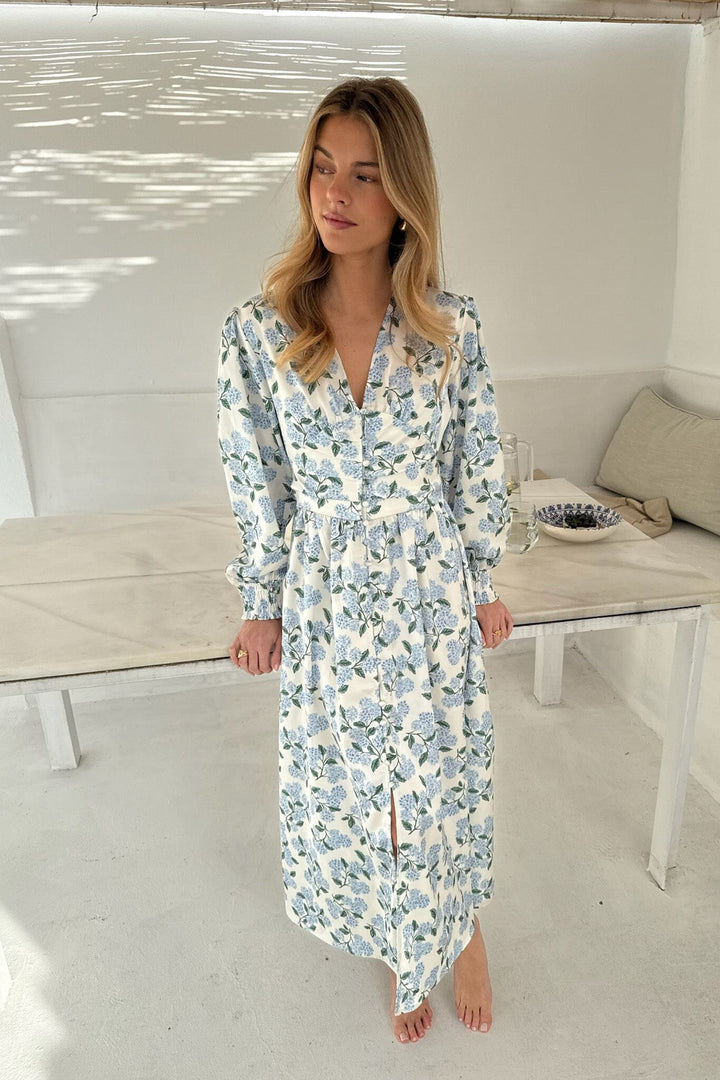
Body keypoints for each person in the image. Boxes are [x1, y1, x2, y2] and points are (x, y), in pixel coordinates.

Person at [216, 75, 514, 1045]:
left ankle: (459, 932)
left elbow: (476, 462)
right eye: (321, 167)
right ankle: (400, 940)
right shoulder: (259, 331)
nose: (333, 193)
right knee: (352, 785)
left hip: (427, 587)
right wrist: (260, 601)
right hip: (328, 595)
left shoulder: (451, 328)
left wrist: (484, 583)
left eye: (364, 174)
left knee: (432, 779)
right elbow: (258, 479)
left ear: (405, 195)